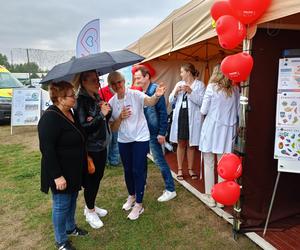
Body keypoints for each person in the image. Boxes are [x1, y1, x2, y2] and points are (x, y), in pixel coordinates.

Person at [108, 71, 166, 220]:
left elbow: (150, 101)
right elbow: (113, 128)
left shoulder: (135, 94)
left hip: (140, 137)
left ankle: (139, 205)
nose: (117, 85)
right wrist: (120, 117)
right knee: (127, 170)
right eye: (113, 83)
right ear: (110, 86)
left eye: (119, 82)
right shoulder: (112, 102)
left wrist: (157, 95)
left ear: (124, 81)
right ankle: (132, 196)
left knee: (137, 169)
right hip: (124, 139)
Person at [38, 81, 87, 250]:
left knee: (72, 199)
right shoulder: (50, 117)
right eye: (71, 95)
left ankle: (70, 227)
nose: (74, 98)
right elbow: (47, 149)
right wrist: (57, 176)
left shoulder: (70, 112)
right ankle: (61, 241)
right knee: (61, 204)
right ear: (59, 98)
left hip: (73, 169)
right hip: (60, 171)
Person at [73, 70, 111, 229]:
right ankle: (89, 211)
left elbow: (103, 118)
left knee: (98, 177)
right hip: (91, 147)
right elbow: (84, 127)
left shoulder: (95, 96)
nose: (98, 83)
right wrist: (100, 115)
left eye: (98, 79)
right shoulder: (81, 100)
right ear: (84, 82)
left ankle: (92, 206)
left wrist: (106, 110)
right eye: (94, 80)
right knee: (91, 180)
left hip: (101, 144)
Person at [133, 66, 177, 202]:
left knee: (159, 161)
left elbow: (163, 113)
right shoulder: (143, 92)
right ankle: (142, 183)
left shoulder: (155, 90)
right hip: (144, 133)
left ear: (147, 77)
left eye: (139, 78)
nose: (136, 80)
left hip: (154, 133)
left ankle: (170, 189)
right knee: (142, 159)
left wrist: (162, 133)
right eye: (135, 78)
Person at [199, 64, 240, 207]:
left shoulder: (211, 88)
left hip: (211, 129)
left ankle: (211, 196)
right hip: (227, 130)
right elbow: (238, 112)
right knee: (223, 165)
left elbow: (203, 110)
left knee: (209, 163)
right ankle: (221, 198)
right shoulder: (235, 89)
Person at [169, 63, 206, 180]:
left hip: (193, 118)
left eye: (182, 72)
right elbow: (171, 100)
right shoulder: (179, 84)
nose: (180, 74)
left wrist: (191, 91)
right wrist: (175, 92)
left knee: (191, 145)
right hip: (181, 116)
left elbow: (202, 102)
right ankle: (180, 169)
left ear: (188, 72)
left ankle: (190, 169)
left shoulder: (200, 85)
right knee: (181, 143)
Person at [98, 84, 120, 166]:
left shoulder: (119, 91)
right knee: (108, 141)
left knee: (116, 140)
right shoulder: (102, 91)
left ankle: (114, 161)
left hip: (117, 120)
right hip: (107, 121)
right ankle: (106, 162)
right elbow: (99, 105)